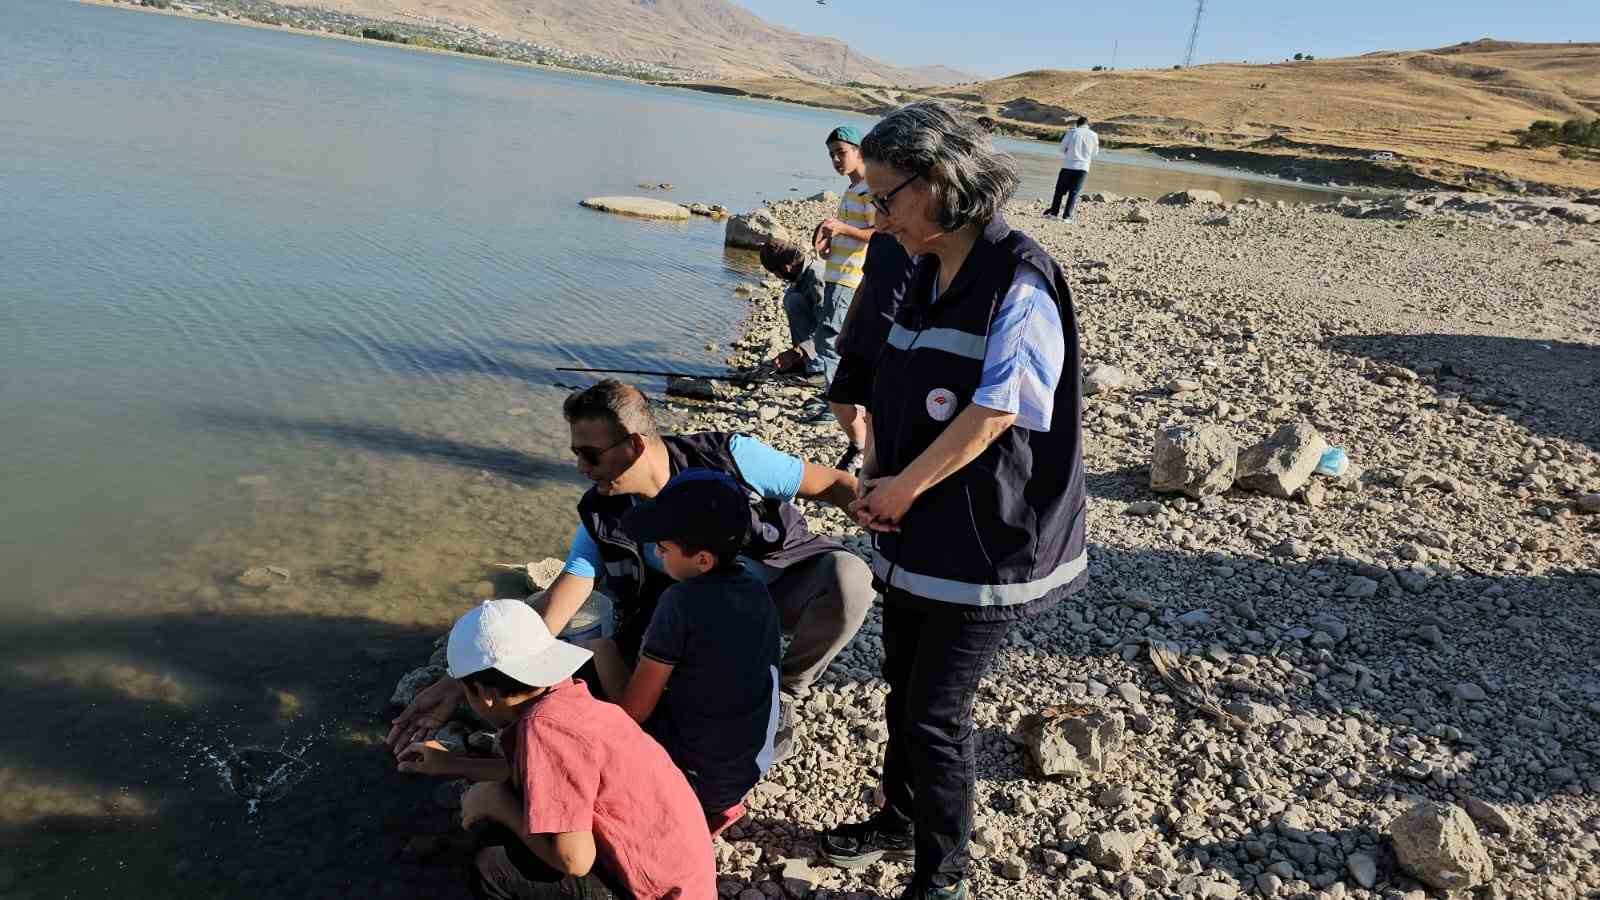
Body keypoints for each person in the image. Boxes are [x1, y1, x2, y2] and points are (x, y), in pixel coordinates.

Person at [817, 101, 1088, 900]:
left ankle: (944, 877)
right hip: (914, 525)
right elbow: (892, 386)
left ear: (937, 184)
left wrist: (901, 486)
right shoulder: (921, 269)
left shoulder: (1021, 279)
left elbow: (998, 410)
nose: (877, 214)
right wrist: (873, 468)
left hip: (984, 542)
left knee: (937, 716)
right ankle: (899, 818)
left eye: (885, 196)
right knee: (903, 688)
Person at [390, 380, 873, 761]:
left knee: (850, 578)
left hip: (774, 591)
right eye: (576, 452)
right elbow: (560, 603)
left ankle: (785, 689)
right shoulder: (601, 513)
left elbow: (831, 483)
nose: (580, 466)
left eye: (590, 453)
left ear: (636, 446)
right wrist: (466, 678)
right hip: (678, 624)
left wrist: (888, 520)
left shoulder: (730, 456)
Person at [397, 598, 716, 899]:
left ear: (483, 693)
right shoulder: (569, 699)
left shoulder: (545, 730)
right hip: (682, 878)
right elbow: (538, 776)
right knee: (513, 806)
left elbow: (575, 860)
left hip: (656, 891)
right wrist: (454, 763)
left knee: (492, 870)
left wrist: (497, 804)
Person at [615, 468, 781, 834]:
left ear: (703, 560)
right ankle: (722, 803)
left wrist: (599, 651)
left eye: (664, 548)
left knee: (604, 671)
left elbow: (633, 712)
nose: (656, 553)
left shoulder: (679, 601)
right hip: (748, 765)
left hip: (699, 780)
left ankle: (687, 808)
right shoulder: (756, 588)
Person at [804, 125, 876, 447]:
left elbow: (879, 233)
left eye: (841, 152)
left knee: (830, 338)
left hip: (851, 277)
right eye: (831, 154)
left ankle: (838, 403)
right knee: (826, 336)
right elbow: (852, 234)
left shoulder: (869, 189)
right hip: (837, 272)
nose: (835, 159)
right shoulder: (852, 189)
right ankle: (833, 397)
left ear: (859, 151)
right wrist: (830, 242)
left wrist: (842, 227)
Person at [823, 230, 916, 473]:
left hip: (894, 341)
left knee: (876, 412)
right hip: (862, 333)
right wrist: (845, 328)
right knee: (837, 400)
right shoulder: (878, 239)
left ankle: (867, 472)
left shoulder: (919, 243)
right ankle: (858, 444)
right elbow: (864, 283)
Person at [758, 239, 827, 379]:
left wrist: (799, 351)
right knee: (791, 297)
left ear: (786, 268)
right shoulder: (802, 272)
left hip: (843, 340)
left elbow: (828, 327)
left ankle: (818, 368)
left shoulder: (817, 279)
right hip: (823, 336)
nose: (777, 276)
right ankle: (806, 361)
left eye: (774, 272)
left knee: (793, 300)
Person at [1044, 116, 1099, 222]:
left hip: (1068, 165)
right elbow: (1094, 153)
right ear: (1087, 125)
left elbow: (1061, 149)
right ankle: (1067, 217)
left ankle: (1054, 214)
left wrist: (1068, 153)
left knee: (1059, 191)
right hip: (1083, 167)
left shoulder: (1071, 132)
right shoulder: (1094, 135)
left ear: (1077, 124)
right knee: (1074, 192)